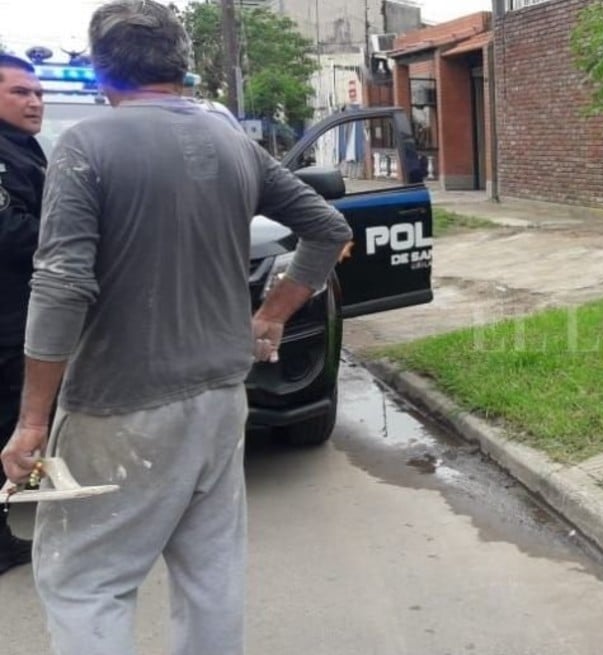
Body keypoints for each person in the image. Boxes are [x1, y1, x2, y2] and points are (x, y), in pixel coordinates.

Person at [0, 2, 354, 654]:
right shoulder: (232, 143)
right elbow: (329, 228)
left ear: (104, 70)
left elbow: (61, 284)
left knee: (86, 583)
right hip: (221, 398)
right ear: (182, 66)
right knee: (211, 572)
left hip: (118, 407)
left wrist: (29, 422)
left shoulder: (85, 147)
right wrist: (269, 317)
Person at [0, 53, 44, 575]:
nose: (34, 101)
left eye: (36, 93)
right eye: (20, 93)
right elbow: (13, 235)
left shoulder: (21, 149)